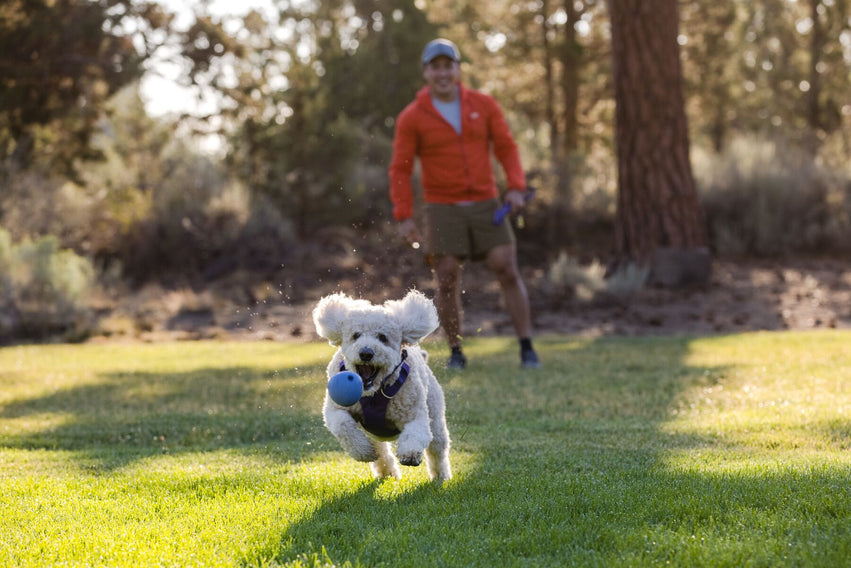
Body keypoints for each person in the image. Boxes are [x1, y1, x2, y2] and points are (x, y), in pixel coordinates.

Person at [388, 38, 540, 370]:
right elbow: (400, 168)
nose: (443, 73)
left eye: (448, 65)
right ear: (426, 72)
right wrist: (404, 215)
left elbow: (506, 147)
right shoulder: (412, 116)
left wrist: (515, 187)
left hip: (486, 202)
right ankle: (456, 352)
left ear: (457, 69)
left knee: (507, 268)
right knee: (445, 276)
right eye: (435, 66)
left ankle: (527, 348)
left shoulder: (484, 105)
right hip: (442, 206)